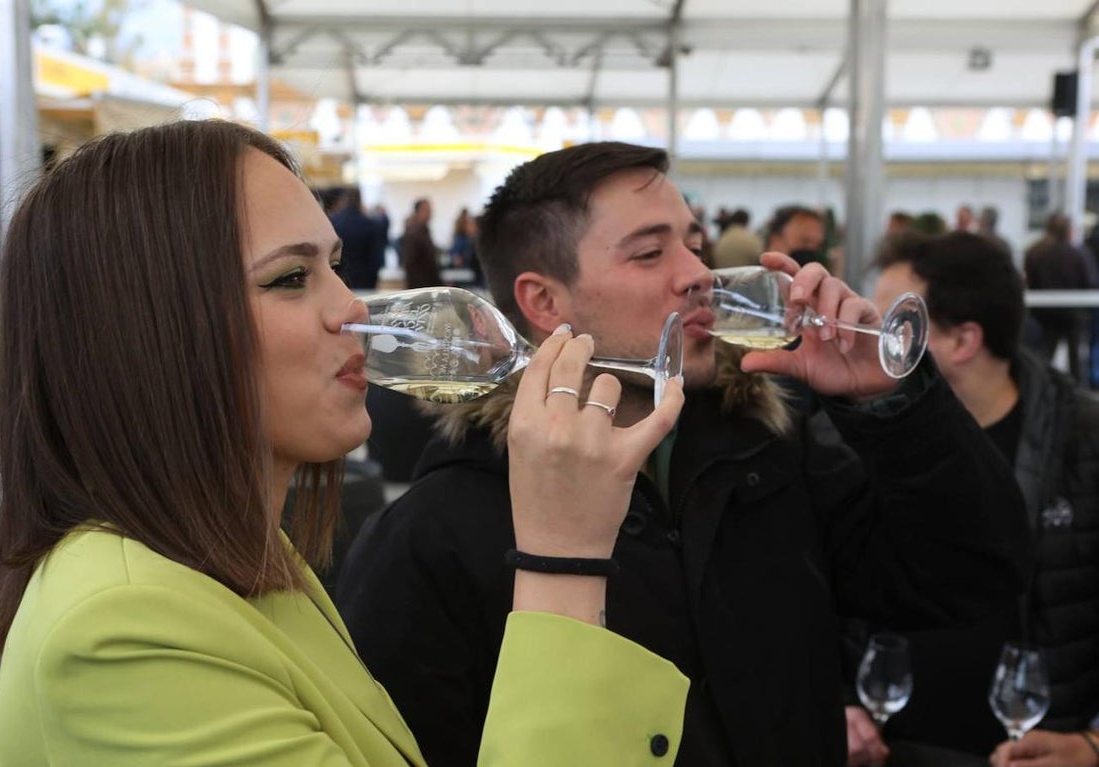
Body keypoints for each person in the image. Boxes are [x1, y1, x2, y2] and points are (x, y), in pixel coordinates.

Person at [0, 120, 691, 766]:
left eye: (335, 264)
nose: (351, 308)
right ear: (152, 331)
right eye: (291, 277)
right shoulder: (120, 631)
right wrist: (560, 556)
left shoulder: (243, 555)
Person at [336, 141, 1032, 767]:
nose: (697, 271)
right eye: (650, 252)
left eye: (694, 242)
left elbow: (973, 575)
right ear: (543, 301)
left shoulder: (765, 452)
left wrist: (891, 404)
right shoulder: (438, 528)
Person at [843, 231, 1099, 763]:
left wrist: (1093, 744)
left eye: (893, 325)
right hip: (886, 748)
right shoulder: (850, 429)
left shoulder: (1084, 440)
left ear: (962, 342)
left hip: (1031, 749)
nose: (867, 339)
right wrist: (838, 702)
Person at [1024, 214, 1091, 383]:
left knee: (1044, 358)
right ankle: (1079, 393)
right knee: (1075, 359)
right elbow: (1090, 282)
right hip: (1073, 314)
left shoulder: (1035, 251)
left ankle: (1042, 391)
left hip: (1045, 315)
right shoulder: (1077, 254)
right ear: (1069, 231)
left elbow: (1029, 282)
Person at [330, 186, 384, 290]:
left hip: (341, 279)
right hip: (365, 278)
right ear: (360, 199)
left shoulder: (334, 222)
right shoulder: (370, 224)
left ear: (344, 199)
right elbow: (376, 258)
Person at [402, 197, 442, 288]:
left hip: (428, 285)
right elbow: (410, 263)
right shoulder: (414, 233)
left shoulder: (424, 231)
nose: (430, 212)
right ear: (418, 211)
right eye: (426, 210)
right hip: (420, 287)